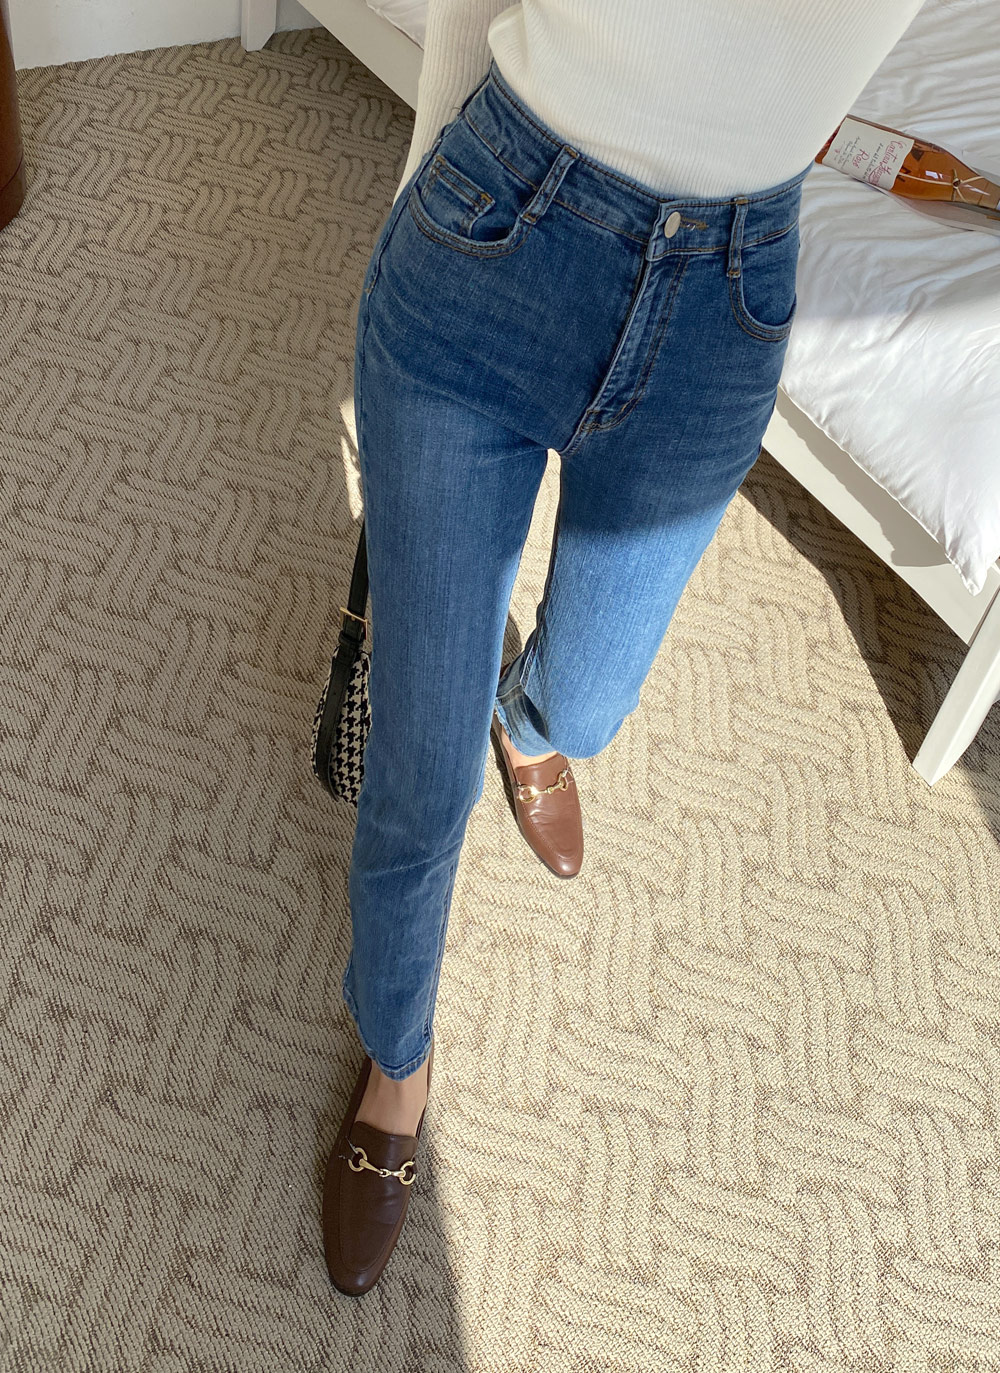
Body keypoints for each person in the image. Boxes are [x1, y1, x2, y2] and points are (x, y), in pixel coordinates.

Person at [322, 0, 928, 1297]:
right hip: (496, 218)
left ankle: (525, 721)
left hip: (724, 296)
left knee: (589, 705)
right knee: (420, 774)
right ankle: (398, 1065)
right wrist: (424, 202)